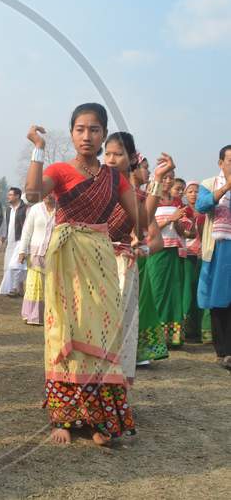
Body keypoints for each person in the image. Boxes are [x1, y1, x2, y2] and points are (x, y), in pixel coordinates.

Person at [25, 103, 139, 446]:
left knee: (103, 331)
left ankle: (99, 419)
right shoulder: (60, 170)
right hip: (66, 259)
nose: (86, 136)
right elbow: (32, 194)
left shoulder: (114, 178)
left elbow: (136, 218)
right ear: (72, 133)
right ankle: (63, 416)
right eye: (79, 129)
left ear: (103, 135)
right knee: (65, 330)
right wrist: (38, 150)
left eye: (93, 130)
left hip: (101, 257)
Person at [103, 133, 168, 386]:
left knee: (122, 328)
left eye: (117, 154)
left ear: (130, 158)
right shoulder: (93, 183)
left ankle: (115, 394)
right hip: (91, 261)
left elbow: (142, 222)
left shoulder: (132, 193)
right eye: (107, 153)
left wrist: (159, 179)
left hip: (121, 265)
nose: (110, 159)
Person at [145, 169, 191, 348]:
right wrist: (170, 219)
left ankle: (172, 337)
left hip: (173, 252)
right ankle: (154, 336)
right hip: (157, 252)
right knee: (156, 292)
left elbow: (180, 232)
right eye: (165, 177)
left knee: (173, 295)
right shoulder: (151, 200)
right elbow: (148, 227)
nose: (168, 180)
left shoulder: (176, 202)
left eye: (171, 177)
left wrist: (178, 221)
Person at [196, 144, 231, 370]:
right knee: (219, 300)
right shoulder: (208, 184)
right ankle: (223, 351)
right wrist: (227, 186)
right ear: (220, 163)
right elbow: (202, 205)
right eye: (230, 160)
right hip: (219, 248)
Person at [18, 194, 55, 325]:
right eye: (46, 193)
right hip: (36, 253)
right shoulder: (35, 209)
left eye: (52, 193)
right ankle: (33, 315)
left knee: (52, 284)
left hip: (55, 254)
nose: (48, 196)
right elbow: (27, 231)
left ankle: (50, 316)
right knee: (35, 284)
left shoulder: (61, 210)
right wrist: (22, 251)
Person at [181, 181, 207, 343]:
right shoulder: (182, 211)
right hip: (186, 253)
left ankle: (199, 329)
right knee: (188, 291)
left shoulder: (205, 211)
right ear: (185, 194)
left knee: (200, 289)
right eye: (190, 191)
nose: (193, 194)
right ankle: (187, 329)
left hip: (201, 253)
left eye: (196, 191)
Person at [0, 187, 28, 296]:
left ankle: (14, 289)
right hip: (10, 243)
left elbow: (27, 226)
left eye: (10, 195)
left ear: (17, 196)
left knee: (15, 266)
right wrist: (3, 236)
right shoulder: (8, 209)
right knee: (9, 266)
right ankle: (19, 290)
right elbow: (7, 224)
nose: (8, 196)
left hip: (20, 241)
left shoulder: (25, 209)